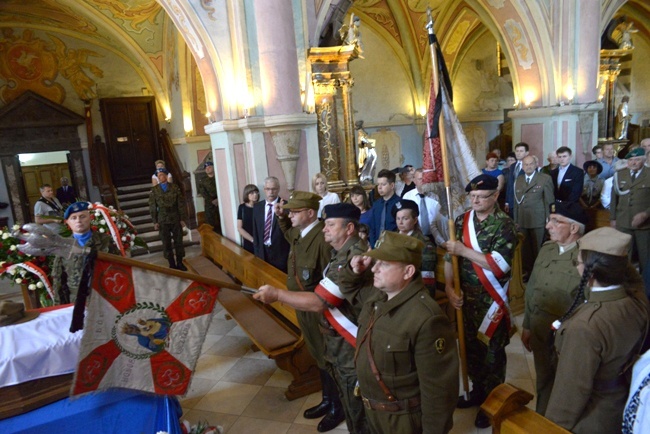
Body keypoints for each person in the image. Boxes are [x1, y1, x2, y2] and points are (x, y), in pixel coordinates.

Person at [255, 203, 369, 433]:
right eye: (324, 224)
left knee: (359, 406)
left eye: (330, 225)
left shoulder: (353, 254)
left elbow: (321, 302)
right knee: (348, 399)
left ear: (349, 228)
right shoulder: (340, 252)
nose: (324, 229)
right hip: (338, 341)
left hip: (351, 344)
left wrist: (277, 295)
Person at [347, 231, 459, 433]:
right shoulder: (377, 297)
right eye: (376, 262)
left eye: (385, 264)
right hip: (370, 413)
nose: (375, 268)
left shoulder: (426, 318)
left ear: (408, 272)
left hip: (401, 421)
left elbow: (439, 392)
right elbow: (347, 288)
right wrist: (354, 269)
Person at [545, 227, 650, 433]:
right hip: (619, 402)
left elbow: (570, 392)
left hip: (591, 418)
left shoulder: (585, 326)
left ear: (590, 272)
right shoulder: (636, 300)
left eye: (578, 261)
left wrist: (550, 428)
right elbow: (632, 278)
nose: (576, 265)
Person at [443, 174, 517, 428]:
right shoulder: (461, 221)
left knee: (492, 356)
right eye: (471, 196)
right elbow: (448, 260)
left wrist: (463, 250)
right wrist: (449, 286)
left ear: (495, 196)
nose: (474, 201)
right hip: (466, 301)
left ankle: (493, 403)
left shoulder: (505, 225)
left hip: (491, 302)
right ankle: (477, 392)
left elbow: (499, 265)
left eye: (481, 196)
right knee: (471, 352)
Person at [271, 191, 343, 432]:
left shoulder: (322, 239)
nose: (290, 214)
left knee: (329, 358)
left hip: (319, 310)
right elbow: (287, 232)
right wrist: (282, 217)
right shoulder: (301, 234)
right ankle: (327, 399)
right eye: (289, 211)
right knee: (317, 355)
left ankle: (338, 406)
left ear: (310, 213)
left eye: (295, 211)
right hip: (303, 307)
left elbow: (329, 279)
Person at [521, 201, 587, 415]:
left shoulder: (586, 257)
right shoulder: (547, 249)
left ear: (574, 228)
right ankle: (542, 421)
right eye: (549, 220)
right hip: (540, 329)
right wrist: (527, 325)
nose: (548, 225)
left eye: (556, 221)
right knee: (543, 382)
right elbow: (532, 288)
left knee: (567, 387)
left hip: (567, 337)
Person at [52, 201, 117, 305]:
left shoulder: (105, 241)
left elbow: (118, 270)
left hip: (104, 300)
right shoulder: (64, 246)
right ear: (67, 222)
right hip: (77, 303)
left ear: (90, 218)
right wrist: (60, 309)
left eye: (82, 216)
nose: (78, 221)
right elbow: (59, 282)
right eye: (74, 218)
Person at [610, 148, 649, 286]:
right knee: (624, 255)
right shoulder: (620, 174)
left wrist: (645, 214)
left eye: (637, 159)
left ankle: (645, 287)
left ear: (643, 160)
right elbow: (614, 198)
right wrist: (613, 218)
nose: (633, 163)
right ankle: (625, 284)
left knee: (645, 258)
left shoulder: (648, 174)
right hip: (623, 221)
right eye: (630, 160)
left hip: (644, 225)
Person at [513, 155, 554, 276]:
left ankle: (539, 273)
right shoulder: (518, 180)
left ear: (536, 165)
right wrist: (516, 220)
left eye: (531, 164)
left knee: (538, 248)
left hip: (539, 220)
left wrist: (549, 220)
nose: (528, 166)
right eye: (525, 164)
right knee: (524, 250)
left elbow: (549, 201)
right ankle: (527, 272)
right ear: (522, 166)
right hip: (522, 220)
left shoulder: (544, 179)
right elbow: (516, 203)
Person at [392, 199, 437, 297]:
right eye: (398, 218)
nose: (400, 222)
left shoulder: (424, 243)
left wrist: (425, 298)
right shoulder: (390, 239)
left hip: (412, 289)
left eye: (405, 218)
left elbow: (427, 276)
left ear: (415, 220)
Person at [149, 169, 187, 271]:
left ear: (166, 176)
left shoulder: (174, 187)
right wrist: (155, 221)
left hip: (175, 217)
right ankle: (171, 263)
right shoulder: (155, 190)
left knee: (178, 241)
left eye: (163, 175)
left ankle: (180, 262)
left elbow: (180, 204)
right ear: (157, 177)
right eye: (159, 175)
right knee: (166, 243)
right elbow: (153, 207)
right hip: (163, 219)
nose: (161, 177)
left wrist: (182, 218)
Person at [252, 176, 290, 273]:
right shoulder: (257, 207)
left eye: (274, 189)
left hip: (281, 253)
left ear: (278, 189)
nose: (271, 192)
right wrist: (257, 252)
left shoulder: (286, 206)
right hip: (262, 252)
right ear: (264, 190)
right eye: (268, 189)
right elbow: (255, 231)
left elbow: (289, 230)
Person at [402, 168, 446, 244]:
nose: (423, 182)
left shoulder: (434, 197)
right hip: (414, 237)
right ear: (414, 180)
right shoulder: (407, 197)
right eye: (420, 179)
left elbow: (437, 221)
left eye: (425, 179)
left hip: (433, 237)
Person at [368, 169, 400, 247]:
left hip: (393, 246)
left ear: (392, 185)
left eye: (383, 184)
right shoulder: (376, 204)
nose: (379, 187)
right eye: (378, 184)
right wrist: (373, 245)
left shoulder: (399, 204)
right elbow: (372, 227)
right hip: (376, 246)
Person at [196, 161, 222, 235]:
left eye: (209, 167)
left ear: (213, 168)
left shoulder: (218, 178)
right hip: (209, 205)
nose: (207, 169)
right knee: (210, 225)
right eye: (206, 168)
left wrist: (218, 199)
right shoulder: (202, 180)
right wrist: (212, 201)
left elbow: (222, 188)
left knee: (222, 223)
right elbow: (203, 193)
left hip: (220, 203)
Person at [505, 142, 529, 217]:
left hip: (524, 202)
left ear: (527, 153)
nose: (518, 153)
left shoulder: (530, 166)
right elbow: (510, 184)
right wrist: (507, 202)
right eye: (517, 151)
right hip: (512, 202)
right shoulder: (512, 166)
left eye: (521, 151)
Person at [237, 184, 259, 253]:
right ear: (247, 194)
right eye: (252, 193)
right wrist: (252, 240)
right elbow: (239, 228)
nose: (255, 195)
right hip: (248, 240)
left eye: (256, 192)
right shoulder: (242, 207)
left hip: (260, 239)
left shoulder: (261, 206)